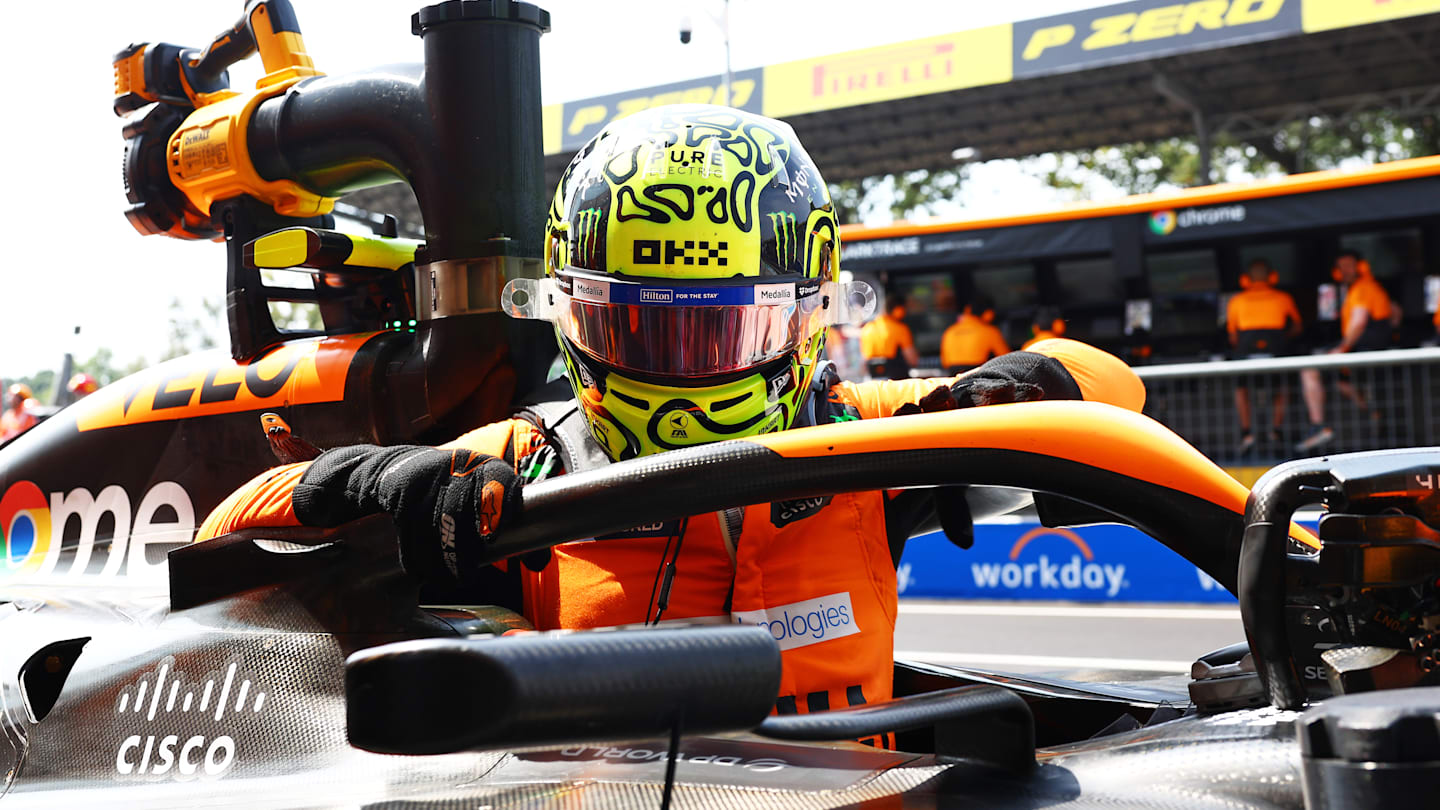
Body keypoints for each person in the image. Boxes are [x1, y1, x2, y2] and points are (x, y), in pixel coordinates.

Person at [197, 105, 1147, 734]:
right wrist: (367, 484)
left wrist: (1010, 391)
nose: (690, 372)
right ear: (570, 316)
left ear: (811, 316)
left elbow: (1118, 401)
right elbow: (222, 532)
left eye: (730, 331)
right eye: (645, 328)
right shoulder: (525, 461)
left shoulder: (873, 433)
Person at [1297, 250, 1397, 451]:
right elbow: (1396, 313)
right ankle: (1373, 413)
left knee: (1309, 369)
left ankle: (1319, 427)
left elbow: (1359, 322)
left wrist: (1342, 348)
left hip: (1362, 352)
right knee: (1341, 382)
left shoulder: (1362, 288)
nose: (1345, 271)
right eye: (1341, 266)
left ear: (1360, 266)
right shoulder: (1367, 288)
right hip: (1367, 351)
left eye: (1349, 265)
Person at [1225, 258, 1301, 454]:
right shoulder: (1284, 298)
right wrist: (1283, 338)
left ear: (1246, 280)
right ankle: (1275, 431)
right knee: (1281, 388)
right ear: (1272, 277)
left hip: (1245, 355)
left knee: (1241, 389)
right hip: (1277, 353)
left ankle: (1247, 433)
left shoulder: (1236, 301)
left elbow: (1233, 336)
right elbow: (1297, 327)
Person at [939, 294, 1009, 375]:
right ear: (989, 314)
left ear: (967, 310)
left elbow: (944, 362)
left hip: (952, 374)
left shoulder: (950, 331)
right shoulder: (989, 331)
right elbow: (1006, 359)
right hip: (977, 374)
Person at [859, 300, 919, 380]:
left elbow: (864, 364)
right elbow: (912, 360)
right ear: (898, 310)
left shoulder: (867, 328)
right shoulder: (900, 329)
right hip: (896, 381)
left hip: (873, 382)